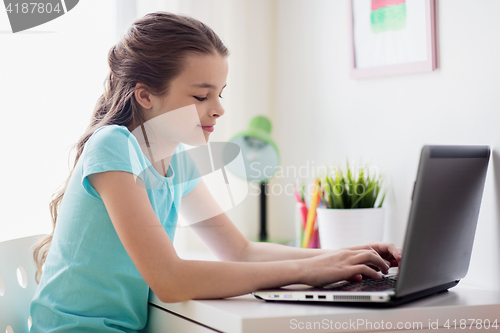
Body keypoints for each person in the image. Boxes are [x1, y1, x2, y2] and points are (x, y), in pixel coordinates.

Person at [29, 11, 401, 332]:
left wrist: (343, 257)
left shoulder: (178, 163)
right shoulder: (114, 146)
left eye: (221, 93)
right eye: (201, 96)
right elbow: (170, 280)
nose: (219, 109)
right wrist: (306, 272)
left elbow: (240, 251)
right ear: (145, 96)